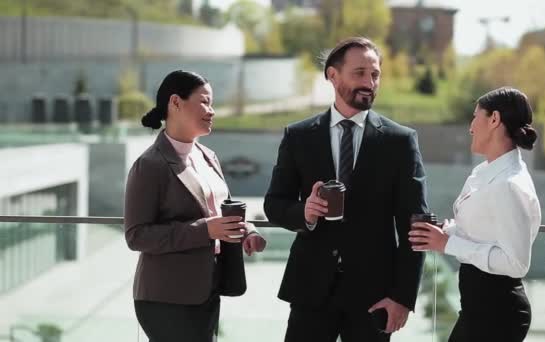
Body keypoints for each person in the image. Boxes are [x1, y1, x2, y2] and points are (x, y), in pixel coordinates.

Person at [264, 37, 429, 342]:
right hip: (310, 290)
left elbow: (415, 224)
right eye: (359, 73)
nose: (369, 82)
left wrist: (403, 297)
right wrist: (305, 212)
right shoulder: (298, 136)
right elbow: (274, 203)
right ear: (333, 75)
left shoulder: (400, 141)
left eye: (375, 74)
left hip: (375, 297)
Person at [124, 70, 266, 342]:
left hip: (207, 288)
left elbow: (220, 209)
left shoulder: (207, 155)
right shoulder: (150, 165)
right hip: (167, 297)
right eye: (204, 102)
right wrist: (206, 230)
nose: (212, 111)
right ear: (175, 102)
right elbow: (136, 235)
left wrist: (247, 230)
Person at [408, 87, 541, 342]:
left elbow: (516, 263)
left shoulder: (508, 184)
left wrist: (448, 244)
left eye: (474, 117)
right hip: (478, 309)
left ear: (494, 120)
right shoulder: (484, 173)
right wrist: (446, 231)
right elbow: (485, 232)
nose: (470, 127)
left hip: (497, 314)